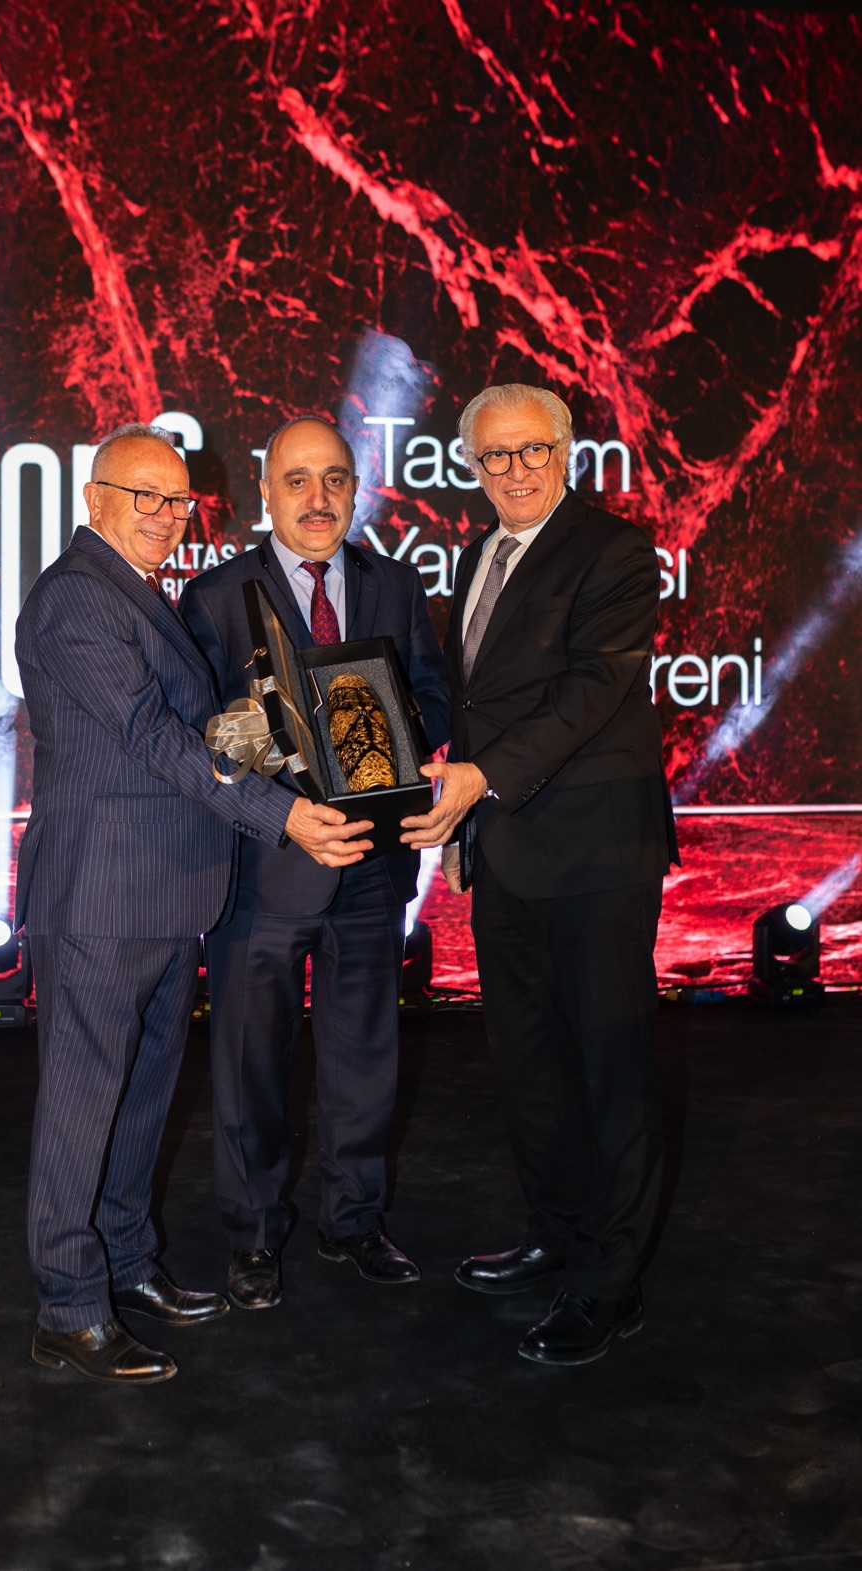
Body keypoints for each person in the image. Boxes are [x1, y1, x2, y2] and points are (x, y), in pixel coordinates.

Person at [14, 423, 371, 1385]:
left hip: (169, 895)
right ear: (94, 499)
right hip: (101, 896)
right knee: (83, 1107)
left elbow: (190, 734)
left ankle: (128, 1264)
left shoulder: (138, 592)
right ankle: (68, 1307)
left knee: (141, 1101)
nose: (167, 515)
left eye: (177, 500)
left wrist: (274, 733)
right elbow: (149, 735)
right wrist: (282, 812)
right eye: (146, 496)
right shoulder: (76, 596)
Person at [401, 383, 679, 1366]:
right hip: (507, 848)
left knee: (608, 1068)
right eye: (495, 455)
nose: (514, 470)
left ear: (565, 452)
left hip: (595, 853)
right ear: (471, 466)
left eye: (532, 450)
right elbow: (480, 700)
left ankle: (610, 1282)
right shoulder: (477, 553)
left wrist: (480, 777)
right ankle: (556, 1234)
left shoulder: (613, 551)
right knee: (529, 1062)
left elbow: (594, 689)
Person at [180, 415, 449, 1309]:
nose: (318, 497)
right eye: (297, 479)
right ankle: (254, 1234)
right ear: (266, 493)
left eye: (334, 478)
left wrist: (407, 740)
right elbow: (199, 738)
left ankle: (353, 1220)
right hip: (264, 869)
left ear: (355, 490)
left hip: (372, 865)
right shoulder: (216, 596)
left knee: (365, 1061)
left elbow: (433, 694)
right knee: (250, 1067)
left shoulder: (395, 584)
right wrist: (270, 760)